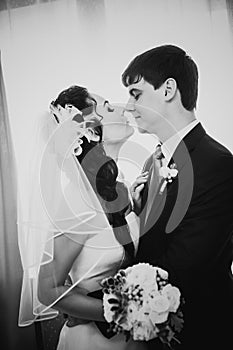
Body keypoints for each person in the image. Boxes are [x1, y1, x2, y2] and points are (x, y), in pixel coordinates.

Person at [122, 45, 233, 350]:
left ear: (168, 89)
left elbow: (185, 269)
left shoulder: (218, 164)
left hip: (199, 333)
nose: (128, 107)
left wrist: (107, 300)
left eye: (136, 93)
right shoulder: (151, 162)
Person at [18, 85, 145, 350]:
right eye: (108, 106)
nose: (123, 108)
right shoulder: (77, 202)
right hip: (93, 340)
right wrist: (122, 312)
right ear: (90, 131)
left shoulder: (117, 188)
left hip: (131, 338)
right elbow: (48, 289)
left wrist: (136, 207)